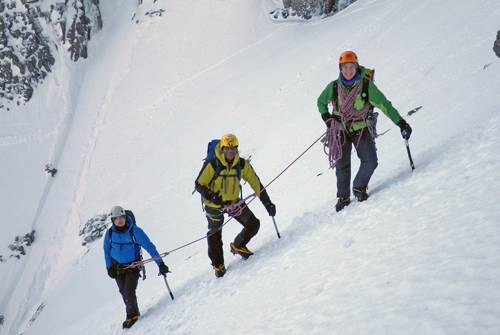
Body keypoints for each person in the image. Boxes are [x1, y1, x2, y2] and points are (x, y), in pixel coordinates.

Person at [317, 50, 412, 212]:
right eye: (345, 67)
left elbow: (384, 105)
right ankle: (343, 197)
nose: (348, 71)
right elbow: (321, 102)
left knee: (370, 160)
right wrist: (327, 118)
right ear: (340, 68)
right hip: (340, 129)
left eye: (351, 66)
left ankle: (359, 187)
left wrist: (401, 123)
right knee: (342, 164)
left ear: (357, 66)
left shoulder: (367, 86)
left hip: (361, 128)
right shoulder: (333, 86)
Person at [195, 134, 276, 278]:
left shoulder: (242, 164)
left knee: (253, 224)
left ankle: (238, 245)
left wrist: (267, 203)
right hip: (214, 205)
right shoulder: (213, 164)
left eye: (233, 149)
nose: (230, 152)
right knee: (215, 232)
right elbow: (199, 184)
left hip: (233, 202)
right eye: (227, 149)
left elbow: (256, 183)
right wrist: (212, 196)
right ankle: (218, 265)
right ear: (222, 148)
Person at [103, 206, 169, 329]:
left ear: (125, 217)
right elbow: (106, 250)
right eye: (116, 218)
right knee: (123, 291)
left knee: (128, 290)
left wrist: (161, 264)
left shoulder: (135, 231)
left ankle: (132, 315)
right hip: (117, 267)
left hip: (133, 266)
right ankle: (133, 312)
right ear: (112, 220)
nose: (119, 220)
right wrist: (109, 267)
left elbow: (150, 247)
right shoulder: (110, 233)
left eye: (121, 217)